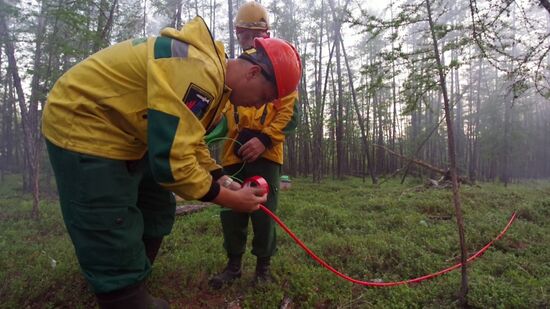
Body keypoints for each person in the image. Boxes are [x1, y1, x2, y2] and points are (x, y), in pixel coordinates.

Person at [42, 16, 301, 309]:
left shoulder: (216, 85)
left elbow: (190, 142)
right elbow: (172, 164)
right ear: (253, 73)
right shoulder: (201, 76)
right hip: (84, 123)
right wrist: (229, 198)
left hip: (132, 132)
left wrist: (220, 177)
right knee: (108, 213)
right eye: (263, 98)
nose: (258, 106)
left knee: (156, 204)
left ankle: (134, 272)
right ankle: (122, 293)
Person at [208, 1, 301, 289]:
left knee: (263, 212)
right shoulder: (231, 68)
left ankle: (263, 269)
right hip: (232, 153)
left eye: (257, 32)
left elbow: (290, 113)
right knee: (231, 212)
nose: (250, 38)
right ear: (237, 32)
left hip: (267, 153)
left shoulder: (278, 66)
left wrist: (265, 138)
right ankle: (233, 266)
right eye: (245, 32)